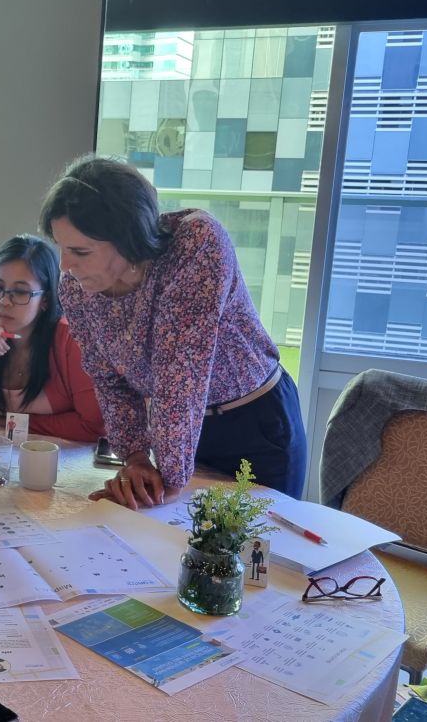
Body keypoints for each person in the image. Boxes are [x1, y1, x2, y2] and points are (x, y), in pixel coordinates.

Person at [39, 155, 307, 510]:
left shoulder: (196, 244)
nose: (65, 265)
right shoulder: (76, 286)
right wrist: (134, 457)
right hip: (181, 432)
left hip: (255, 427)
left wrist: (167, 476)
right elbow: (108, 378)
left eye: (79, 251)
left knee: (256, 554)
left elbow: (180, 373)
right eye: (60, 247)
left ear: (126, 238)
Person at [0, 235, 104, 443]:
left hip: (58, 464)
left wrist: (14, 423)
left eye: (20, 292)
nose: (4, 301)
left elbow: (95, 427)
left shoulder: (71, 341)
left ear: (45, 300)